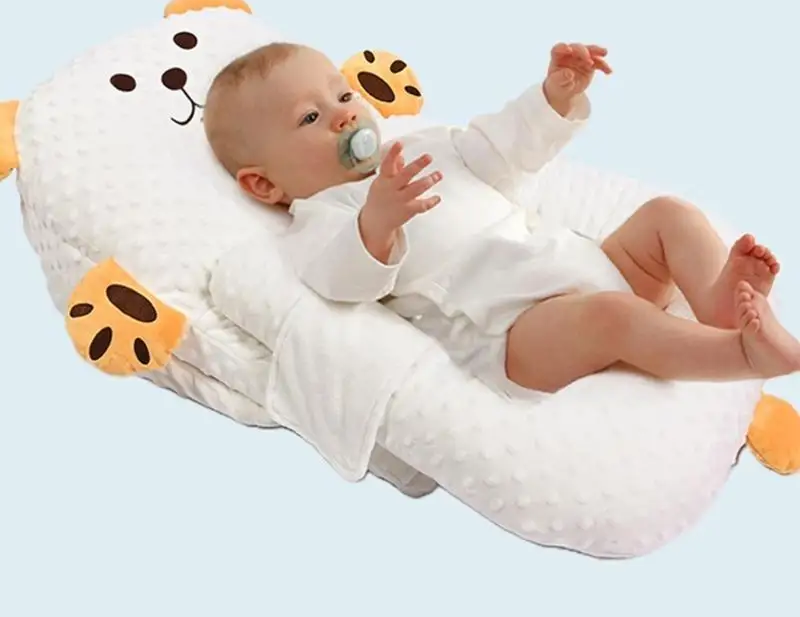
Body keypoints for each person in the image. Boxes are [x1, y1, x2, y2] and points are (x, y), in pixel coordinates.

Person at [202, 40, 800, 397]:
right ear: (265, 184)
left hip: (581, 265)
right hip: (518, 334)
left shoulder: (420, 146)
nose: (341, 116)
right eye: (309, 119)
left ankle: (719, 308)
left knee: (669, 215)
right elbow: (342, 282)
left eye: (342, 96)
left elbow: (497, 149)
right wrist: (378, 221)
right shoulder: (321, 218)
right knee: (615, 317)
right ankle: (743, 357)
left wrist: (553, 97)